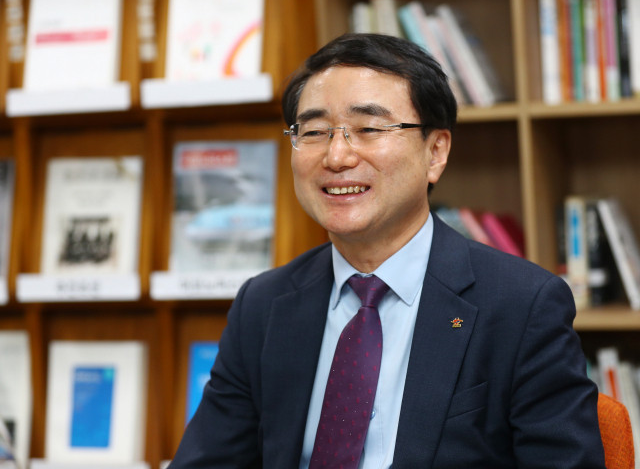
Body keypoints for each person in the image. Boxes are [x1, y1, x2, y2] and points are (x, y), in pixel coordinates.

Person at [169, 33, 605, 468]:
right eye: (315, 131)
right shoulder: (263, 306)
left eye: (369, 129)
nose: (337, 156)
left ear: (435, 152)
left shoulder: (521, 305)